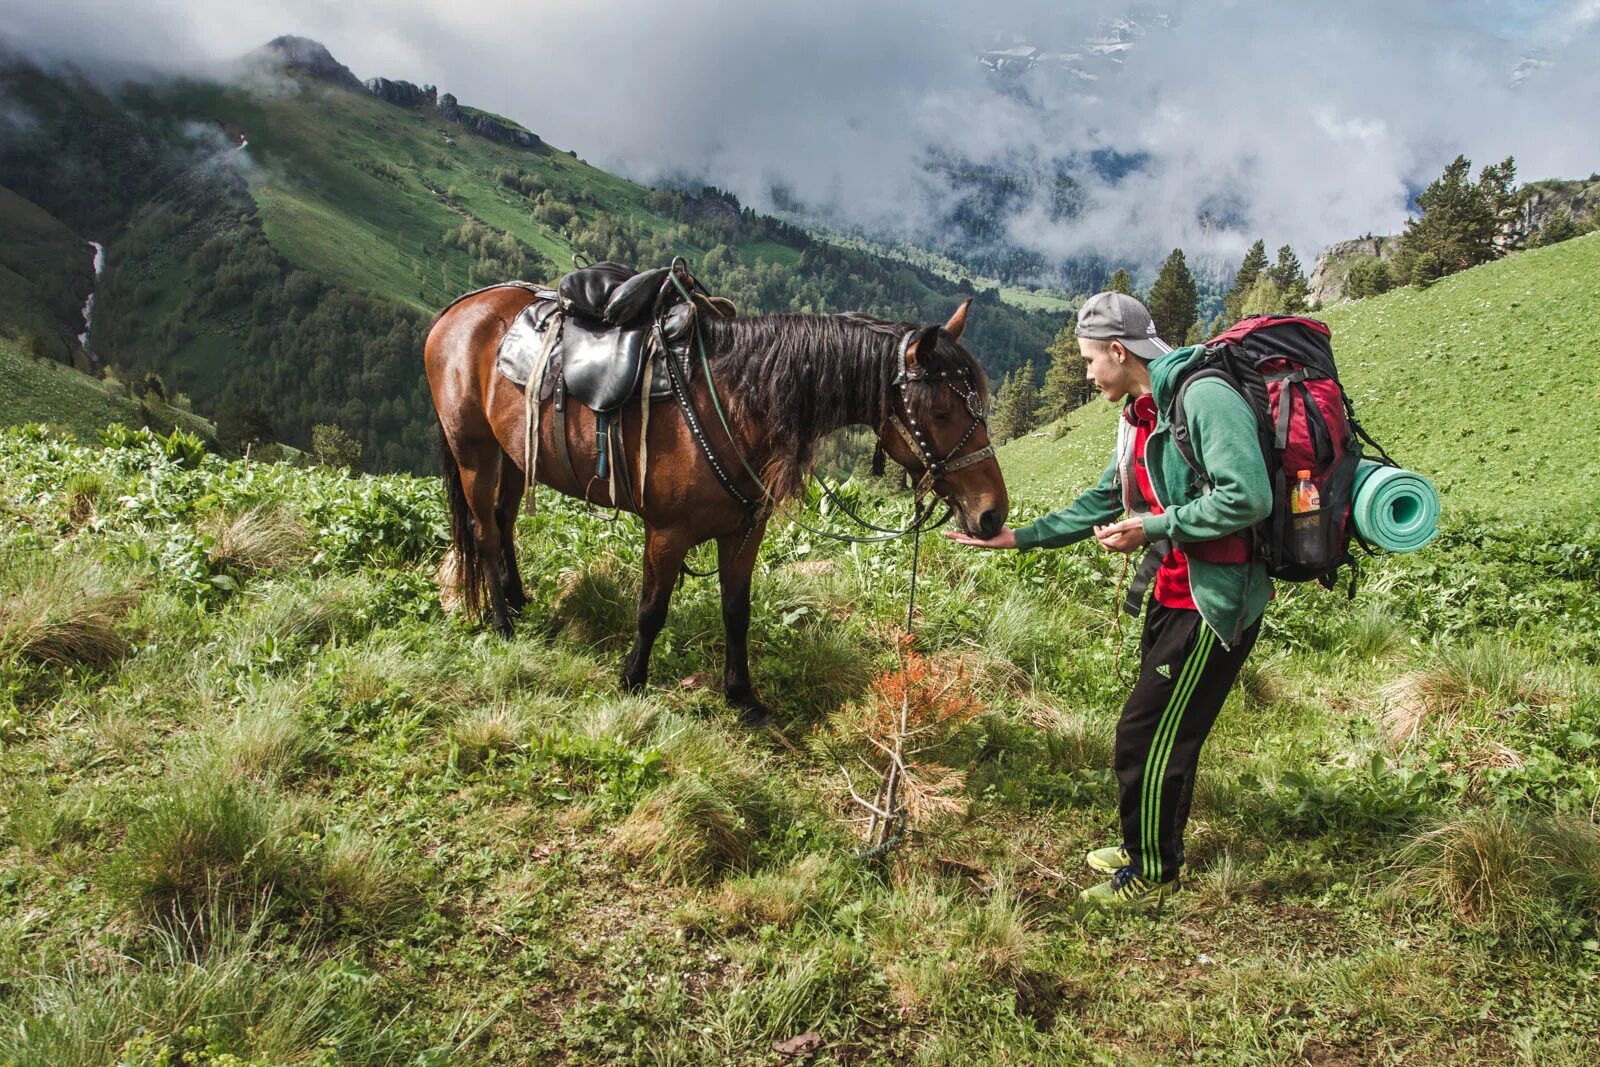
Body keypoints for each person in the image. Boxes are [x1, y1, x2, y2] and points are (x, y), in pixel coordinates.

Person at [946, 291, 1271, 912]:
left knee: (1146, 736)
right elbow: (1106, 497)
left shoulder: (1201, 398)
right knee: (1165, 734)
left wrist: (1152, 527)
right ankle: (1146, 842)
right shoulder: (1143, 413)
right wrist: (1021, 537)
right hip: (1171, 592)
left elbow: (1247, 497)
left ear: (1119, 352)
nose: (1088, 372)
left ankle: (1154, 874)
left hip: (1214, 600)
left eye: (1091, 360)